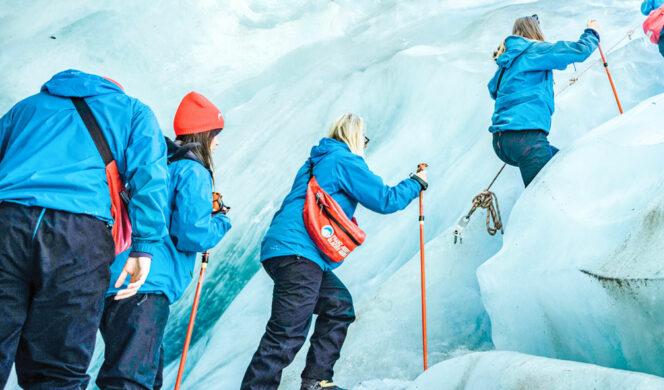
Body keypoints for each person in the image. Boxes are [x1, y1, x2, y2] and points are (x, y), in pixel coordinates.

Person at [0, 69, 167, 388]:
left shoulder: (27, 107)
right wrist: (144, 246)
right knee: (57, 367)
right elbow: (150, 177)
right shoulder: (133, 111)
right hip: (79, 234)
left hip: (7, 221)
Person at [241, 113, 427, 390]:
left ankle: (316, 381)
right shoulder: (344, 160)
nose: (364, 144)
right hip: (299, 254)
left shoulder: (315, 162)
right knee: (286, 335)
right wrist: (417, 181)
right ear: (354, 137)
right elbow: (386, 200)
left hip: (289, 252)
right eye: (363, 139)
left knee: (338, 306)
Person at [97, 92, 232, 389]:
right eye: (216, 135)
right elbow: (193, 235)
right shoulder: (192, 170)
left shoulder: (154, 163)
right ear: (204, 135)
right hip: (148, 284)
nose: (218, 143)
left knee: (141, 372)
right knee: (131, 378)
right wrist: (221, 220)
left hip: (116, 280)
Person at [488, 15, 601, 186]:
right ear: (536, 31)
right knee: (545, 193)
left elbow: (493, 90)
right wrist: (592, 32)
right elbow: (580, 50)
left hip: (501, 141)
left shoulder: (506, 64)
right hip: (526, 138)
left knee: (561, 163)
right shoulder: (534, 49)